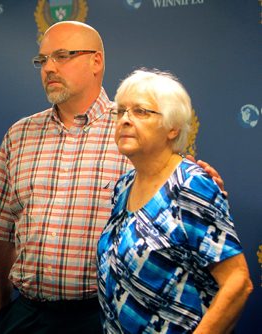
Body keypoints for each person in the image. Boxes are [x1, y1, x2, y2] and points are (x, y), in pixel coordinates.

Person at [0, 21, 226, 334]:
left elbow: (187, 218)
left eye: (62, 56)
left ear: (96, 61)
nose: (49, 68)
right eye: (42, 60)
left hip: (104, 317)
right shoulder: (19, 135)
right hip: (27, 316)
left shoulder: (136, 131)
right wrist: (3, 314)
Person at [96, 69, 253, 333]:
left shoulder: (191, 185)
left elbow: (238, 282)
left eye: (141, 111)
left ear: (173, 128)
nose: (124, 119)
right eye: (120, 111)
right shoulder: (125, 185)